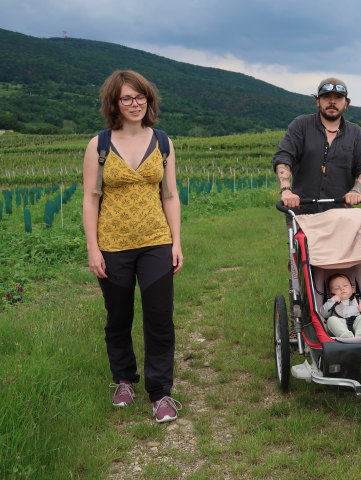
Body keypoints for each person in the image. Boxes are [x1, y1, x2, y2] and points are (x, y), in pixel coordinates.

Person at [82, 70, 184, 423]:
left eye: (140, 96)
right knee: (119, 316)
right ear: (115, 103)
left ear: (148, 100)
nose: (135, 103)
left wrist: (176, 242)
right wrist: (93, 248)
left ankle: (161, 393)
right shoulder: (99, 145)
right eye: (126, 98)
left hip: (156, 241)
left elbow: (170, 196)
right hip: (112, 245)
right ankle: (124, 379)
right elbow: (90, 199)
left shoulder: (163, 142)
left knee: (159, 319)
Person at [272, 77, 361, 213]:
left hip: (341, 212)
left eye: (338, 98)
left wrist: (356, 190)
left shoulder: (355, 133)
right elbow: (283, 158)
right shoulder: (301, 125)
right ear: (318, 101)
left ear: (346, 103)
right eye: (326, 97)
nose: (332, 102)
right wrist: (286, 190)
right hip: (302, 211)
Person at [320, 273, 361, 338]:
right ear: (330, 294)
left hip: (357, 323)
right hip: (341, 325)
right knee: (331, 320)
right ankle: (345, 336)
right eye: (336, 288)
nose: (342, 289)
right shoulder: (332, 302)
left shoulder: (356, 299)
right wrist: (331, 301)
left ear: (353, 289)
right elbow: (324, 314)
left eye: (345, 286)